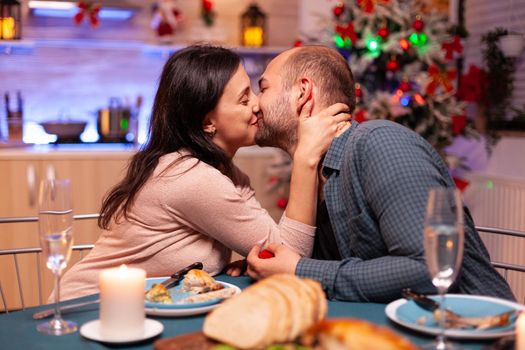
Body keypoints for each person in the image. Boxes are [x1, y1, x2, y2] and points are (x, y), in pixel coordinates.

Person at [58, 45, 350, 301]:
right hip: (89, 307)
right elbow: (289, 256)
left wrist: (250, 261)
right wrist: (304, 160)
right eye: (244, 98)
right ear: (208, 121)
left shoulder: (226, 174)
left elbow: (273, 251)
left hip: (141, 307)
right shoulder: (190, 177)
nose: (258, 104)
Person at [245, 45, 515, 303]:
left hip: (471, 329)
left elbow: (428, 269)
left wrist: (302, 270)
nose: (254, 104)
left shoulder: (379, 144)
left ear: (303, 92)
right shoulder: (311, 169)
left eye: (263, 88)